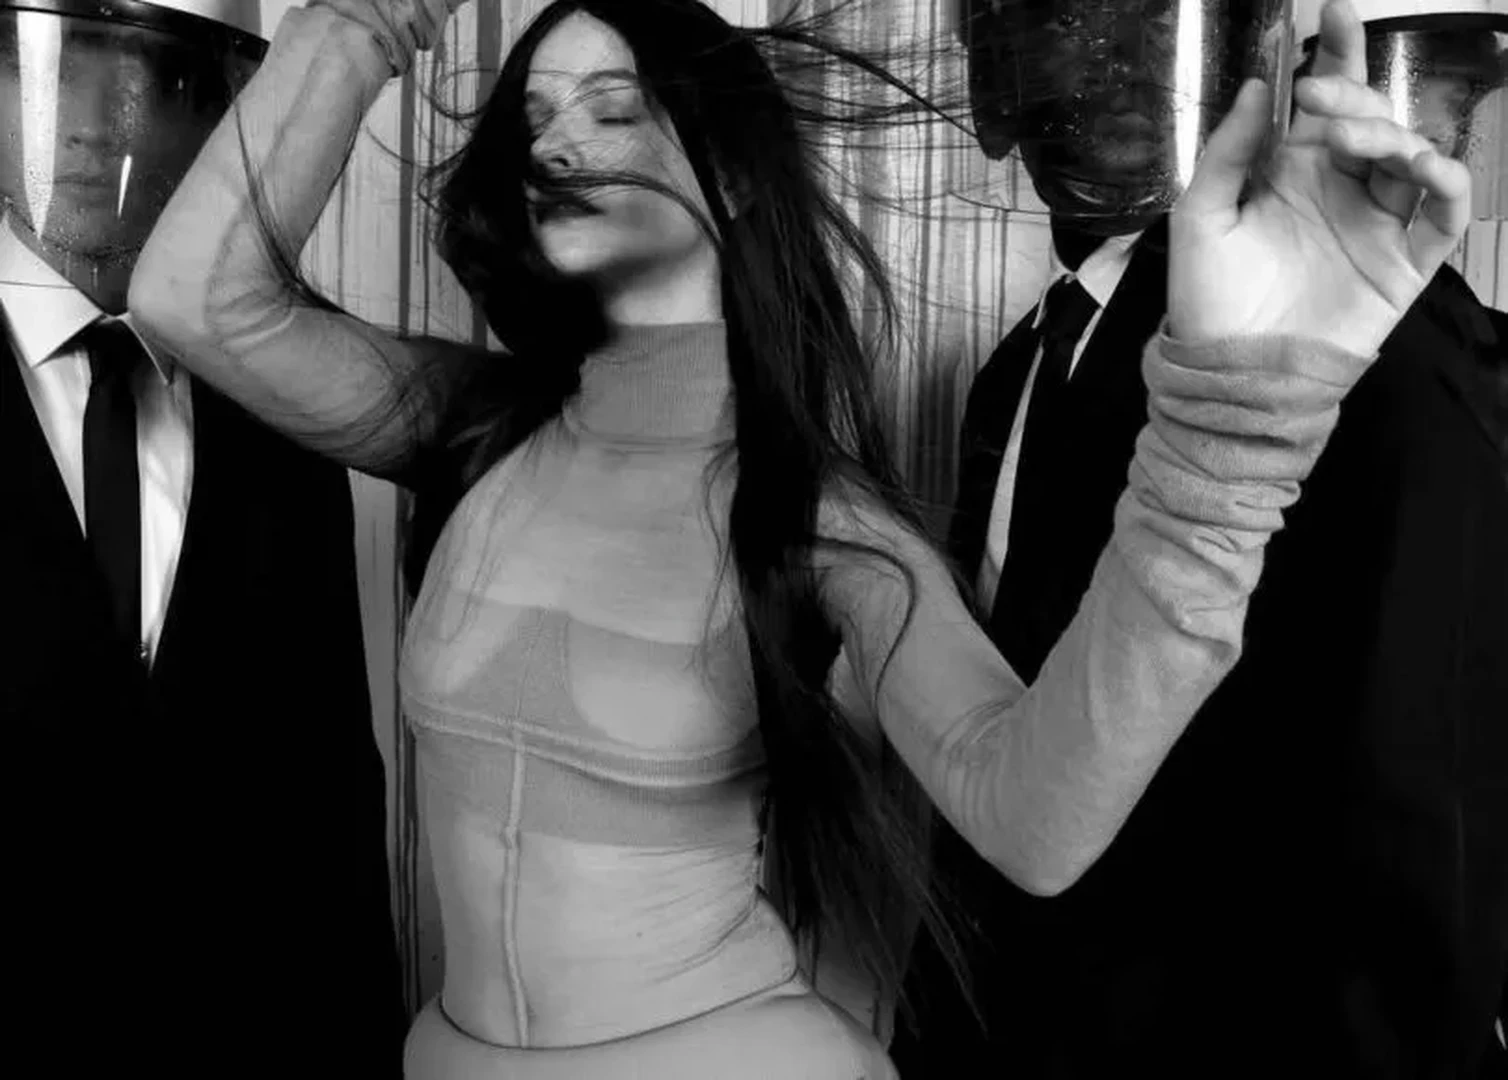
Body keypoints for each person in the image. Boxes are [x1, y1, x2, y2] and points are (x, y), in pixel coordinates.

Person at [126, 0, 1472, 1075]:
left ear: (732, 172)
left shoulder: (818, 522)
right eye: (535, 116)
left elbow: (1034, 819)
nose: (558, 145)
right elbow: (198, 301)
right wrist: (364, 20)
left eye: (615, 108)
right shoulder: (473, 429)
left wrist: (1236, 428)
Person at [891, 0, 1508, 1076]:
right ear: (988, 87)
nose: (1121, 51)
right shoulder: (1010, 370)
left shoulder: (1363, 351)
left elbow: (1422, 800)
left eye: (1162, 11)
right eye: (1066, 13)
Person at [0, 0, 405, 1072]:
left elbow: (328, 792)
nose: (92, 119)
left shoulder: (295, 392)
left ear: (221, 110)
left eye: (155, 77)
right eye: (47, 68)